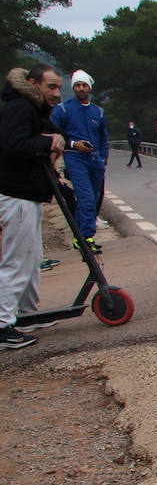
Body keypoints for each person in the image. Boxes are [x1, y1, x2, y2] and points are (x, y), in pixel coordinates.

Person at [0, 64, 64, 349]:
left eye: (58, 87)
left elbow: (45, 137)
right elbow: (13, 146)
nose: (57, 93)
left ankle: (26, 312)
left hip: (27, 195)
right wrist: (46, 141)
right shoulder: (20, 109)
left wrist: (65, 141)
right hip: (16, 195)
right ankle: (2, 325)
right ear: (33, 84)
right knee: (17, 262)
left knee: (32, 257)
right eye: (51, 87)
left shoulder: (32, 111)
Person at [49, 69, 108, 252]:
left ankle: (83, 235)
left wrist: (103, 157)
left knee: (95, 198)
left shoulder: (97, 112)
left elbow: (103, 136)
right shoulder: (63, 110)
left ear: (89, 87)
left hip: (95, 160)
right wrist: (74, 144)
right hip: (75, 158)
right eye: (77, 85)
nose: (81, 89)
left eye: (84, 85)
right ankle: (85, 237)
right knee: (86, 198)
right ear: (73, 87)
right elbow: (52, 132)